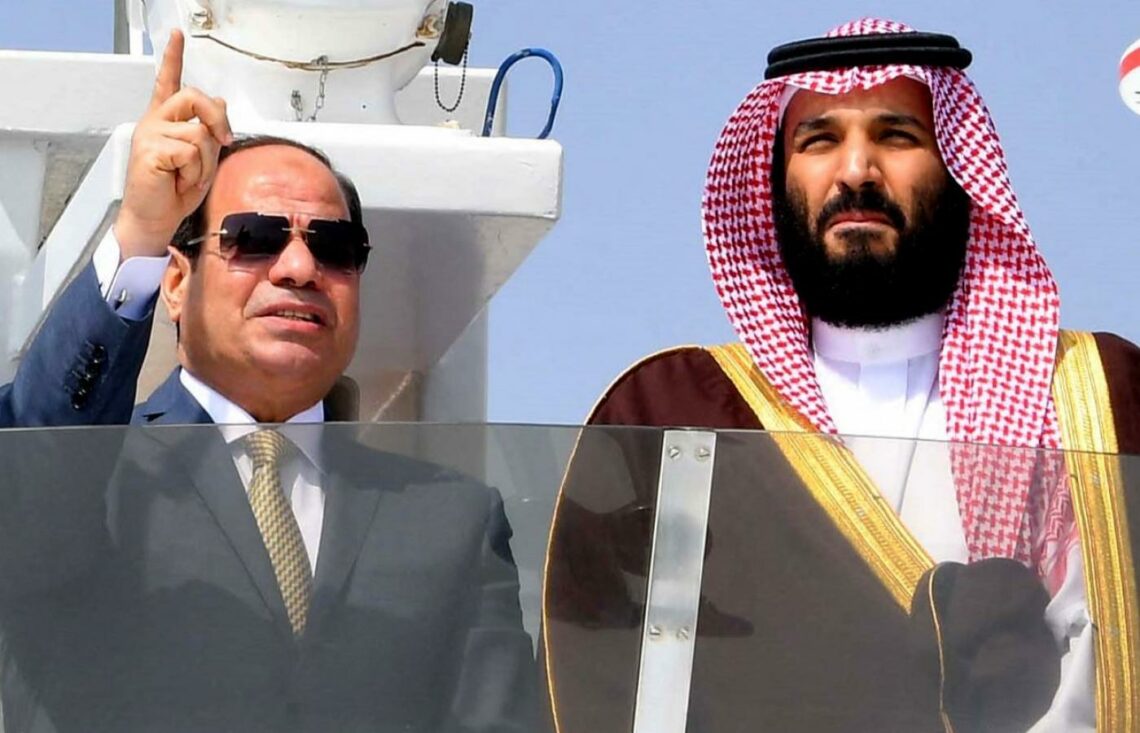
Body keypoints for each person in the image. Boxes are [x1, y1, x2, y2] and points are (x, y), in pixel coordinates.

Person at [544, 18, 1140, 733]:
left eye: (897, 136)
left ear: (960, 169)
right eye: (819, 140)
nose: (857, 170)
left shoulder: (1087, 393)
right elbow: (606, 676)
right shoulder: (677, 409)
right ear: (774, 182)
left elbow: (1105, 667)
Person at [0, 30, 539, 732]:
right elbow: (29, 462)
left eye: (333, 247)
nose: (299, 268)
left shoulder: (452, 522)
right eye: (254, 237)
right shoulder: (91, 478)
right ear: (174, 283)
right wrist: (140, 228)